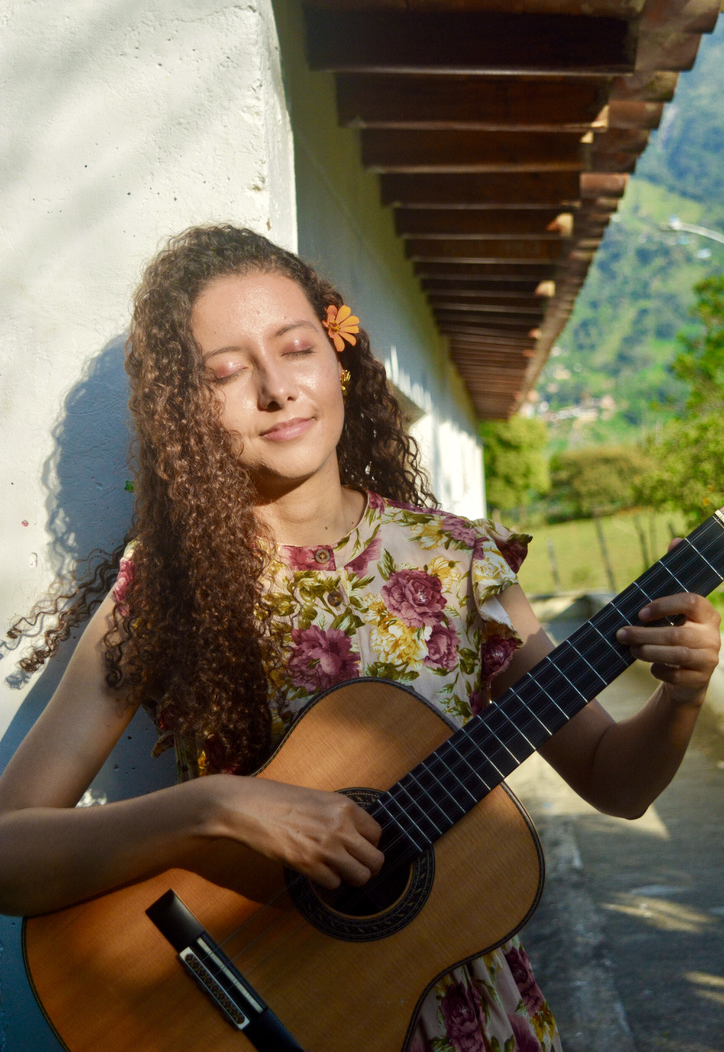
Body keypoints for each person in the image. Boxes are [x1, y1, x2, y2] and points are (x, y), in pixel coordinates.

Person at [0, 225, 720, 1052]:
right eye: (227, 372)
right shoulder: (166, 589)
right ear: (186, 410)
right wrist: (214, 807)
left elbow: (613, 782)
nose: (277, 389)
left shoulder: (461, 563)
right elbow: (9, 851)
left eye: (297, 348)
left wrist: (682, 695)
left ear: (337, 358)